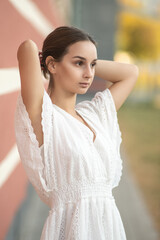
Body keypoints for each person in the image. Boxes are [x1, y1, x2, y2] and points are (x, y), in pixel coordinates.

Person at [14, 26, 139, 240]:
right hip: (72, 230)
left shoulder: (94, 115)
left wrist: (85, 60)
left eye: (93, 65)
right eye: (79, 63)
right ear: (52, 64)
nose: (89, 74)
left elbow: (130, 73)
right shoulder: (45, 117)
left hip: (110, 229)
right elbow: (27, 48)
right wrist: (50, 57)